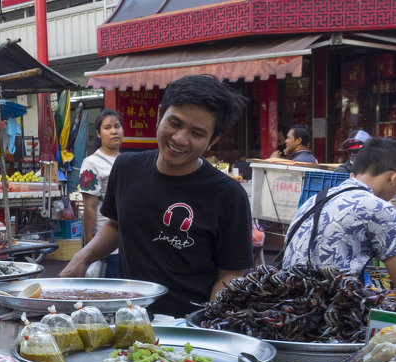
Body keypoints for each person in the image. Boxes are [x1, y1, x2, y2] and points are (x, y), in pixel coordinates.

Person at [60, 75, 254, 317]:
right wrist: (83, 257)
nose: (180, 138)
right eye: (174, 123)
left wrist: (209, 324)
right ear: (159, 115)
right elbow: (116, 226)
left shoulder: (228, 195)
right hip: (129, 317)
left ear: (213, 139)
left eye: (196, 133)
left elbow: (230, 274)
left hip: (187, 327)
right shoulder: (126, 167)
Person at [281, 137, 396, 306]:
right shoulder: (380, 208)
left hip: (288, 305)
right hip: (331, 317)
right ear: (394, 177)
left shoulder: (315, 200)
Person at [78, 109, 124, 278]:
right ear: (98, 133)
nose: (114, 131)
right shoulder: (91, 163)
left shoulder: (127, 161)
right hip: (106, 244)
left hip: (127, 242)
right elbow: (89, 208)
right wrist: (90, 249)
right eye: (107, 127)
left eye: (117, 126)